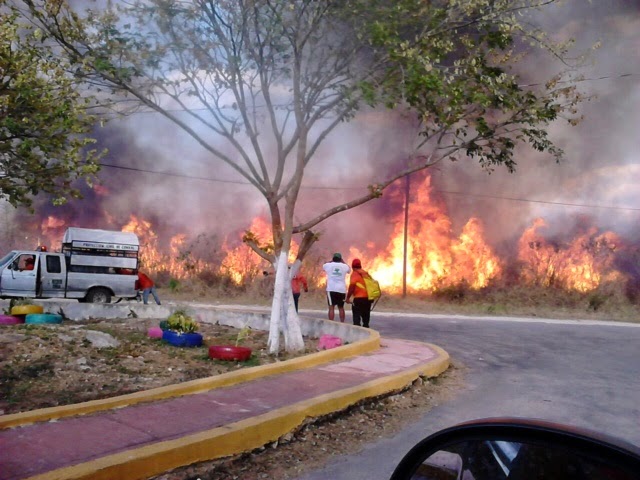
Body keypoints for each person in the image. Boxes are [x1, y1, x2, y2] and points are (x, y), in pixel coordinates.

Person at [322, 253, 351, 322]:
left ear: (333, 258)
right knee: (341, 308)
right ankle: (342, 322)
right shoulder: (345, 266)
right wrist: (343, 262)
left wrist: (331, 261)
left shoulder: (328, 265)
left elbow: (324, 266)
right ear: (341, 259)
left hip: (331, 289)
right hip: (341, 290)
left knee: (331, 307)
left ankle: (331, 322)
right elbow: (349, 270)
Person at [346, 258, 373, 328]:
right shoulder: (366, 273)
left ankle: (357, 334)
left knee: (356, 319)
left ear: (352, 266)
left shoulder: (354, 274)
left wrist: (348, 297)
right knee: (366, 319)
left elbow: (352, 286)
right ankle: (366, 332)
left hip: (358, 299)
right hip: (368, 299)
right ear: (360, 265)